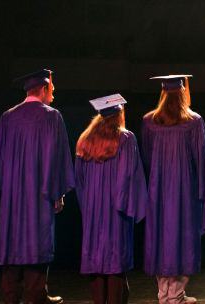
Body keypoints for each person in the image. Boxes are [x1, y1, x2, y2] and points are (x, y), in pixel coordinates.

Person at [0, 69, 73, 304]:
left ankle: (11, 297)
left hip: (12, 194)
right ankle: (37, 296)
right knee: (38, 239)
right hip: (39, 192)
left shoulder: (7, 117)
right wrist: (58, 192)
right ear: (44, 89)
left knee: (12, 240)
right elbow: (57, 158)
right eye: (52, 90)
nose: (53, 95)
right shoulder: (52, 116)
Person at [142, 75, 205, 304]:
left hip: (158, 190)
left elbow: (147, 158)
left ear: (162, 94)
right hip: (184, 189)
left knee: (161, 237)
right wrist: (202, 190)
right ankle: (176, 293)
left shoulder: (149, 122)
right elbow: (201, 158)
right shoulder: (194, 122)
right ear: (183, 93)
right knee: (183, 236)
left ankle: (164, 293)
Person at [75, 94, 148, 304]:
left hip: (92, 208)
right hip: (116, 208)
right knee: (116, 261)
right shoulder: (125, 139)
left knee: (96, 261)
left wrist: (87, 205)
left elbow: (79, 179)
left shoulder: (84, 139)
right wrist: (127, 205)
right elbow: (128, 175)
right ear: (120, 114)